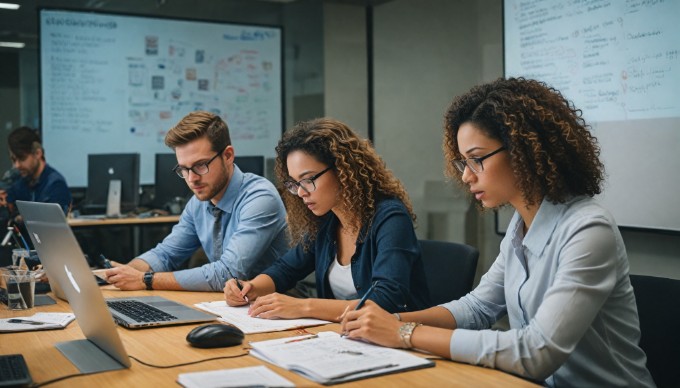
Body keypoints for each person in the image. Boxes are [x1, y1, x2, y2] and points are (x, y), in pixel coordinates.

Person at [340, 78, 655, 387]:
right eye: (463, 162)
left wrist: (403, 334)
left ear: (523, 150)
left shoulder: (588, 229)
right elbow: (478, 307)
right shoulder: (520, 225)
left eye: (476, 159)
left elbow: (536, 352)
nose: (465, 176)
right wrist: (392, 322)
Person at [223, 118, 430, 322]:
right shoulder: (326, 221)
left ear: (343, 169)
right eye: (294, 184)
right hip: (343, 339)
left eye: (308, 179)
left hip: (400, 343)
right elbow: (285, 270)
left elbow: (386, 301)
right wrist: (249, 287)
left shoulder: (391, 218)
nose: (301, 193)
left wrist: (303, 306)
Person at [105, 111, 289, 292]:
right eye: (184, 169)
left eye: (201, 165)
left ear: (228, 156)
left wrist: (145, 279)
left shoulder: (260, 198)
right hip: (230, 305)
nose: (192, 179)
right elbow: (165, 255)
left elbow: (227, 273)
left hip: (280, 305)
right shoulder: (198, 203)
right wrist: (122, 274)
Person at [3, 127, 71, 217]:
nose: (17, 165)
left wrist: (20, 218)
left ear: (37, 154)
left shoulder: (56, 185)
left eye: (22, 158)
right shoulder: (17, 181)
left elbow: (51, 226)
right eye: (14, 160)